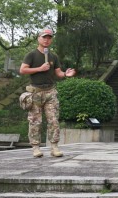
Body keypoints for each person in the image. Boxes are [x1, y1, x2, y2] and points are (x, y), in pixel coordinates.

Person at [19, 28, 76, 158]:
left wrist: (66, 74)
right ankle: (35, 148)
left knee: (54, 120)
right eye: (44, 37)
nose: (46, 40)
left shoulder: (53, 56)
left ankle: (54, 147)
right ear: (39, 38)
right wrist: (40, 68)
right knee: (35, 121)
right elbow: (22, 70)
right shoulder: (31, 54)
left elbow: (58, 73)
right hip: (35, 92)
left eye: (49, 37)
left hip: (50, 92)